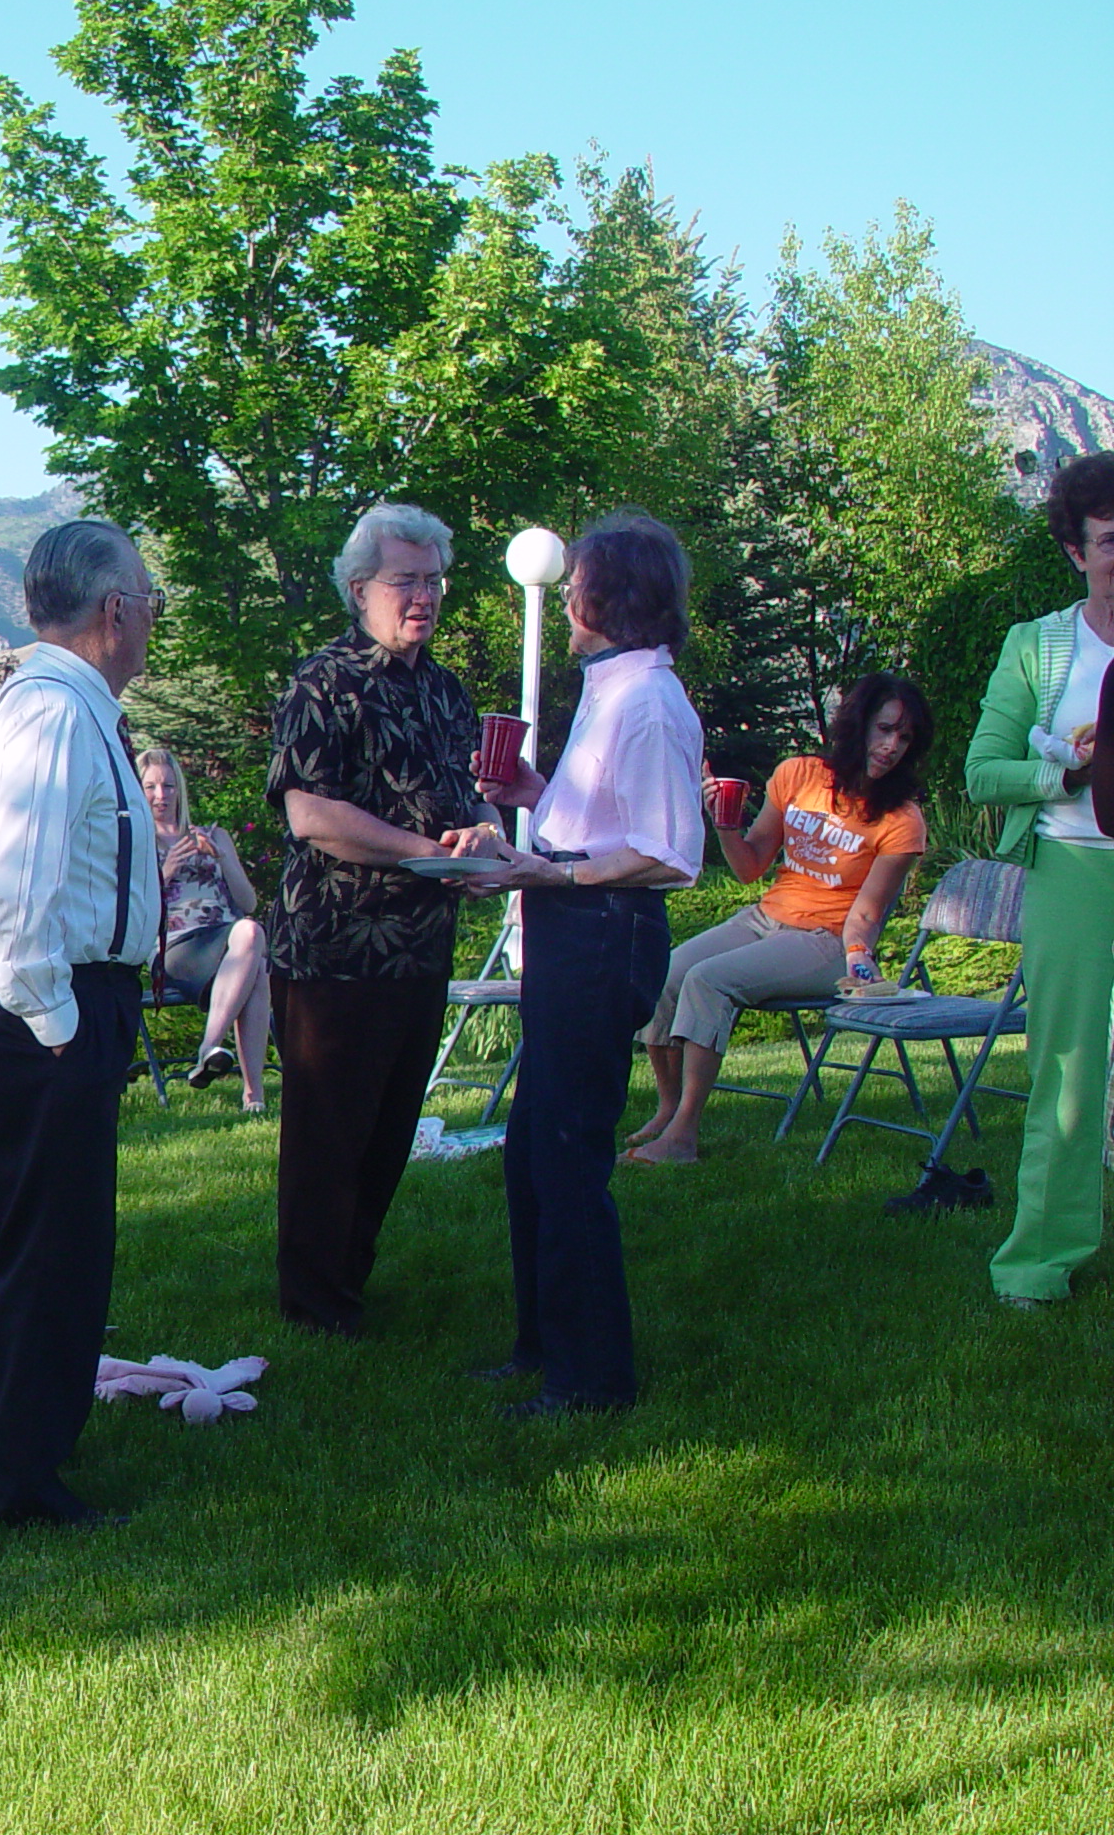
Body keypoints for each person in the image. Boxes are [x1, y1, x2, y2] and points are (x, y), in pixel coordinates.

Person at [0, 519, 160, 1530]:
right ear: (114, 610)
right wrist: (58, 1019)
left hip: (35, 1000)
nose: (152, 619)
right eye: (148, 600)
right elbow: (17, 887)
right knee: (53, 1251)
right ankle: (17, 1484)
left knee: (16, 1234)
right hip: (46, 1004)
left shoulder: (49, 705)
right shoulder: (55, 714)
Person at [468, 511, 705, 1417]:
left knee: (567, 1156)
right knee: (533, 1149)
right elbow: (602, 817)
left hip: (606, 934)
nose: (566, 594)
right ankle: (544, 1346)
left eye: (579, 582)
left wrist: (546, 866)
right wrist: (533, 797)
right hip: (577, 927)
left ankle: (592, 1377)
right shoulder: (614, 690)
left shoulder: (647, 701)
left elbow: (670, 850)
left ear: (613, 598)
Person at [264, 501, 499, 1339]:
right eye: (406, 580)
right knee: (330, 1136)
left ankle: (349, 1279)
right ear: (359, 587)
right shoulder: (322, 681)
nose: (424, 596)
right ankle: (314, 1303)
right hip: (334, 948)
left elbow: (470, 797)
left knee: (391, 1130)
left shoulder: (444, 690)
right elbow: (309, 814)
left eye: (434, 581)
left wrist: (482, 839)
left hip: (421, 950)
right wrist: (420, 851)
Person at [625, 675, 933, 1166]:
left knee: (709, 981)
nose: (892, 746)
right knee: (665, 973)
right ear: (858, 726)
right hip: (766, 917)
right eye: (885, 729)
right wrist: (724, 824)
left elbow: (869, 912)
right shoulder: (799, 775)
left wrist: (859, 958)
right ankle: (667, 1110)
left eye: (905, 737)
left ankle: (683, 1135)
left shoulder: (901, 820)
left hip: (825, 940)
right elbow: (749, 867)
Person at [964, 449, 1114, 1307]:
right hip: (1075, 868)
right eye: (1109, 542)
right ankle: (1038, 1261)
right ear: (1075, 550)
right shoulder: (1037, 647)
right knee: (1065, 1067)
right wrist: (1066, 773)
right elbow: (984, 772)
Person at [135, 746, 270, 1111]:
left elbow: (248, 903)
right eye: (150, 787)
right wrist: (166, 871)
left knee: (252, 945)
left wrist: (221, 857)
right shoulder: (137, 841)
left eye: (168, 786)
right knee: (253, 948)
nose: (161, 796)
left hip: (225, 940)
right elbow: (133, 909)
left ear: (180, 789)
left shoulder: (213, 835)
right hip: (175, 947)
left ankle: (234, 1075)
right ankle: (236, 1075)